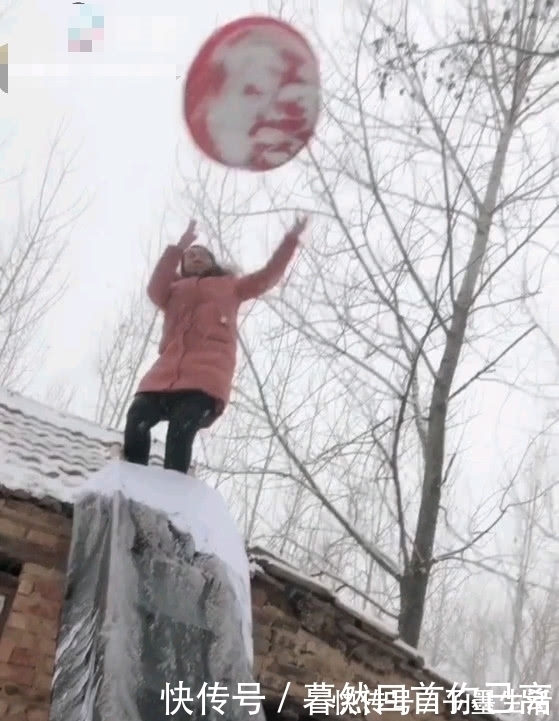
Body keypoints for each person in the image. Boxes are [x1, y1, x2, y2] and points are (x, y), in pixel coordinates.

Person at [123, 215, 308, 474]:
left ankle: (171, 491)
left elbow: (268, 276)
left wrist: (290, 241)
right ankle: (131, 480)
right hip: (164, 374)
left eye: (202, 255)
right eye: (190, 256)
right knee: (138, 416)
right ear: (183, 265)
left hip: (205, 377)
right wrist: (179, 247)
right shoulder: (172, 291)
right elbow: (155, 289)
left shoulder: (230, 286)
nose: (195, 257)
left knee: (182, 425)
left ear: (213, 263)